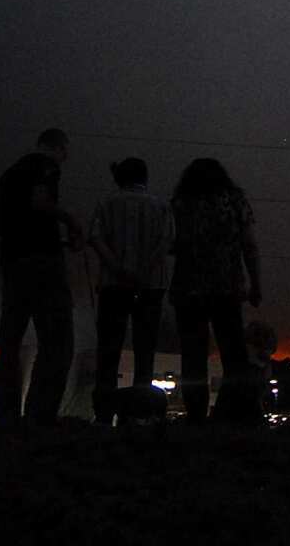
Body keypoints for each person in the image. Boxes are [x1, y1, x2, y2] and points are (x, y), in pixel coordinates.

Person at [0, 128, 80, 426]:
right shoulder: (46, 166)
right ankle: (40, 413)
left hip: (12, 258)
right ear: (58, 147)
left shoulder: (10, 173)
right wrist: (70, 221)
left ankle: (5, 413)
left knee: (11, 339)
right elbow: (40, 202)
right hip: (43, 258)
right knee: (57, 339)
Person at [169, 158, 262, 424]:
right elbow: (250, 245)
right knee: (234, 354)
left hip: (188, 288)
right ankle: (234, 415)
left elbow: (169, 243)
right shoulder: (234, 201)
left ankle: (196, 416)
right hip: (227, 287)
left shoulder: (180, 204)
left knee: (193, 355)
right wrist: (256, 284)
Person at [87, 157, 175, 426]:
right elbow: (167, 241)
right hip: (151, 286)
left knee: (109, 350)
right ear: (145, 177)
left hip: (114, 286)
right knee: (145, 349)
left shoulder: (106, 203)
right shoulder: (161, 206)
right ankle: (138, 413)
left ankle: (103, 414)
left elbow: (96, 238)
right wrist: (145, 269)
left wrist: (117, 268)